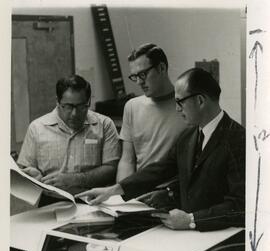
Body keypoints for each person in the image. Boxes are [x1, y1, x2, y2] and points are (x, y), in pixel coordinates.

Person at [76, 68, 245, 232]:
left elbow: (241, 205)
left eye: (180, 102)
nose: (177, 109)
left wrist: (192, 220)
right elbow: (160, 169)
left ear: (200, 100)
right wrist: (113, 190)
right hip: (186, 233)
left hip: (221, 235)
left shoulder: (238, 139)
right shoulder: (188, 136)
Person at [18, 74, 121, 206]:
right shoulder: (37, 128)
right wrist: (33, 178)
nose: (74, 114)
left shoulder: (105, 125)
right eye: (68, 106)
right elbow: (25, 172)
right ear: (57, 101)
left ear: (88, 101)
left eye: (81, 106)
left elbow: (111, 169)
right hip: (50, 202)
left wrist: (74, 179)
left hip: (94, 201)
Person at [116, 43, 186, 181]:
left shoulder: (186, 105)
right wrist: (121, 195)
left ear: (162, 68)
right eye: (134, 76)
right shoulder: (132, 107)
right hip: (140, 193)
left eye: (143, 74)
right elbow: (127, 161)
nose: (139, 82)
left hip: (173, 194)